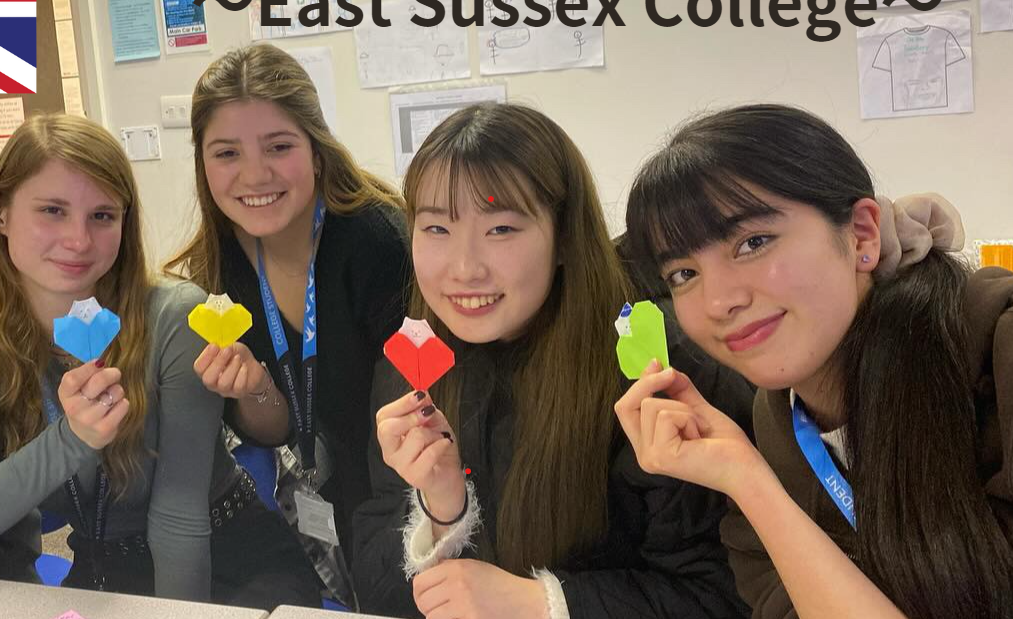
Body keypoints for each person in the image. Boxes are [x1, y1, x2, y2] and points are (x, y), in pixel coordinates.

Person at [0, 113, 319, 607]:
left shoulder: (173, 316)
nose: (79, 240)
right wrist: (69, 440)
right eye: (52, 211)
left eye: (102, 216)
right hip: (102, 567)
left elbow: (179, 519)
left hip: (225, 559)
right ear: (1, 215)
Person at [352, 102, 751, 619]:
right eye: (436, 229)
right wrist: (442, 510)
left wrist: (543, 602)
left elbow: (722, 595)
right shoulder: (413, 363)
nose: (464, 268)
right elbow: (375, 585)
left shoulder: (654, 366)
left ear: (564, 237)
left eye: (501, 229)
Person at [616, 104, 1013, 619]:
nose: (718, 302)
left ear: (863, 235)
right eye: (683, 274)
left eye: (753, 243)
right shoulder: (769, 436)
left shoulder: (997, 352)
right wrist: (746, 479)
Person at [165, 43, 411, 604]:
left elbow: (409, 425)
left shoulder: (377, 244)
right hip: (326, 495)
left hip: (400, 495)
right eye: (227, 153)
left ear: (317, 151)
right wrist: (253, 387)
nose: (255, 174)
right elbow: (278, 427)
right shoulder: (221, 266)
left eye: (279, 146)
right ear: (203, 164)